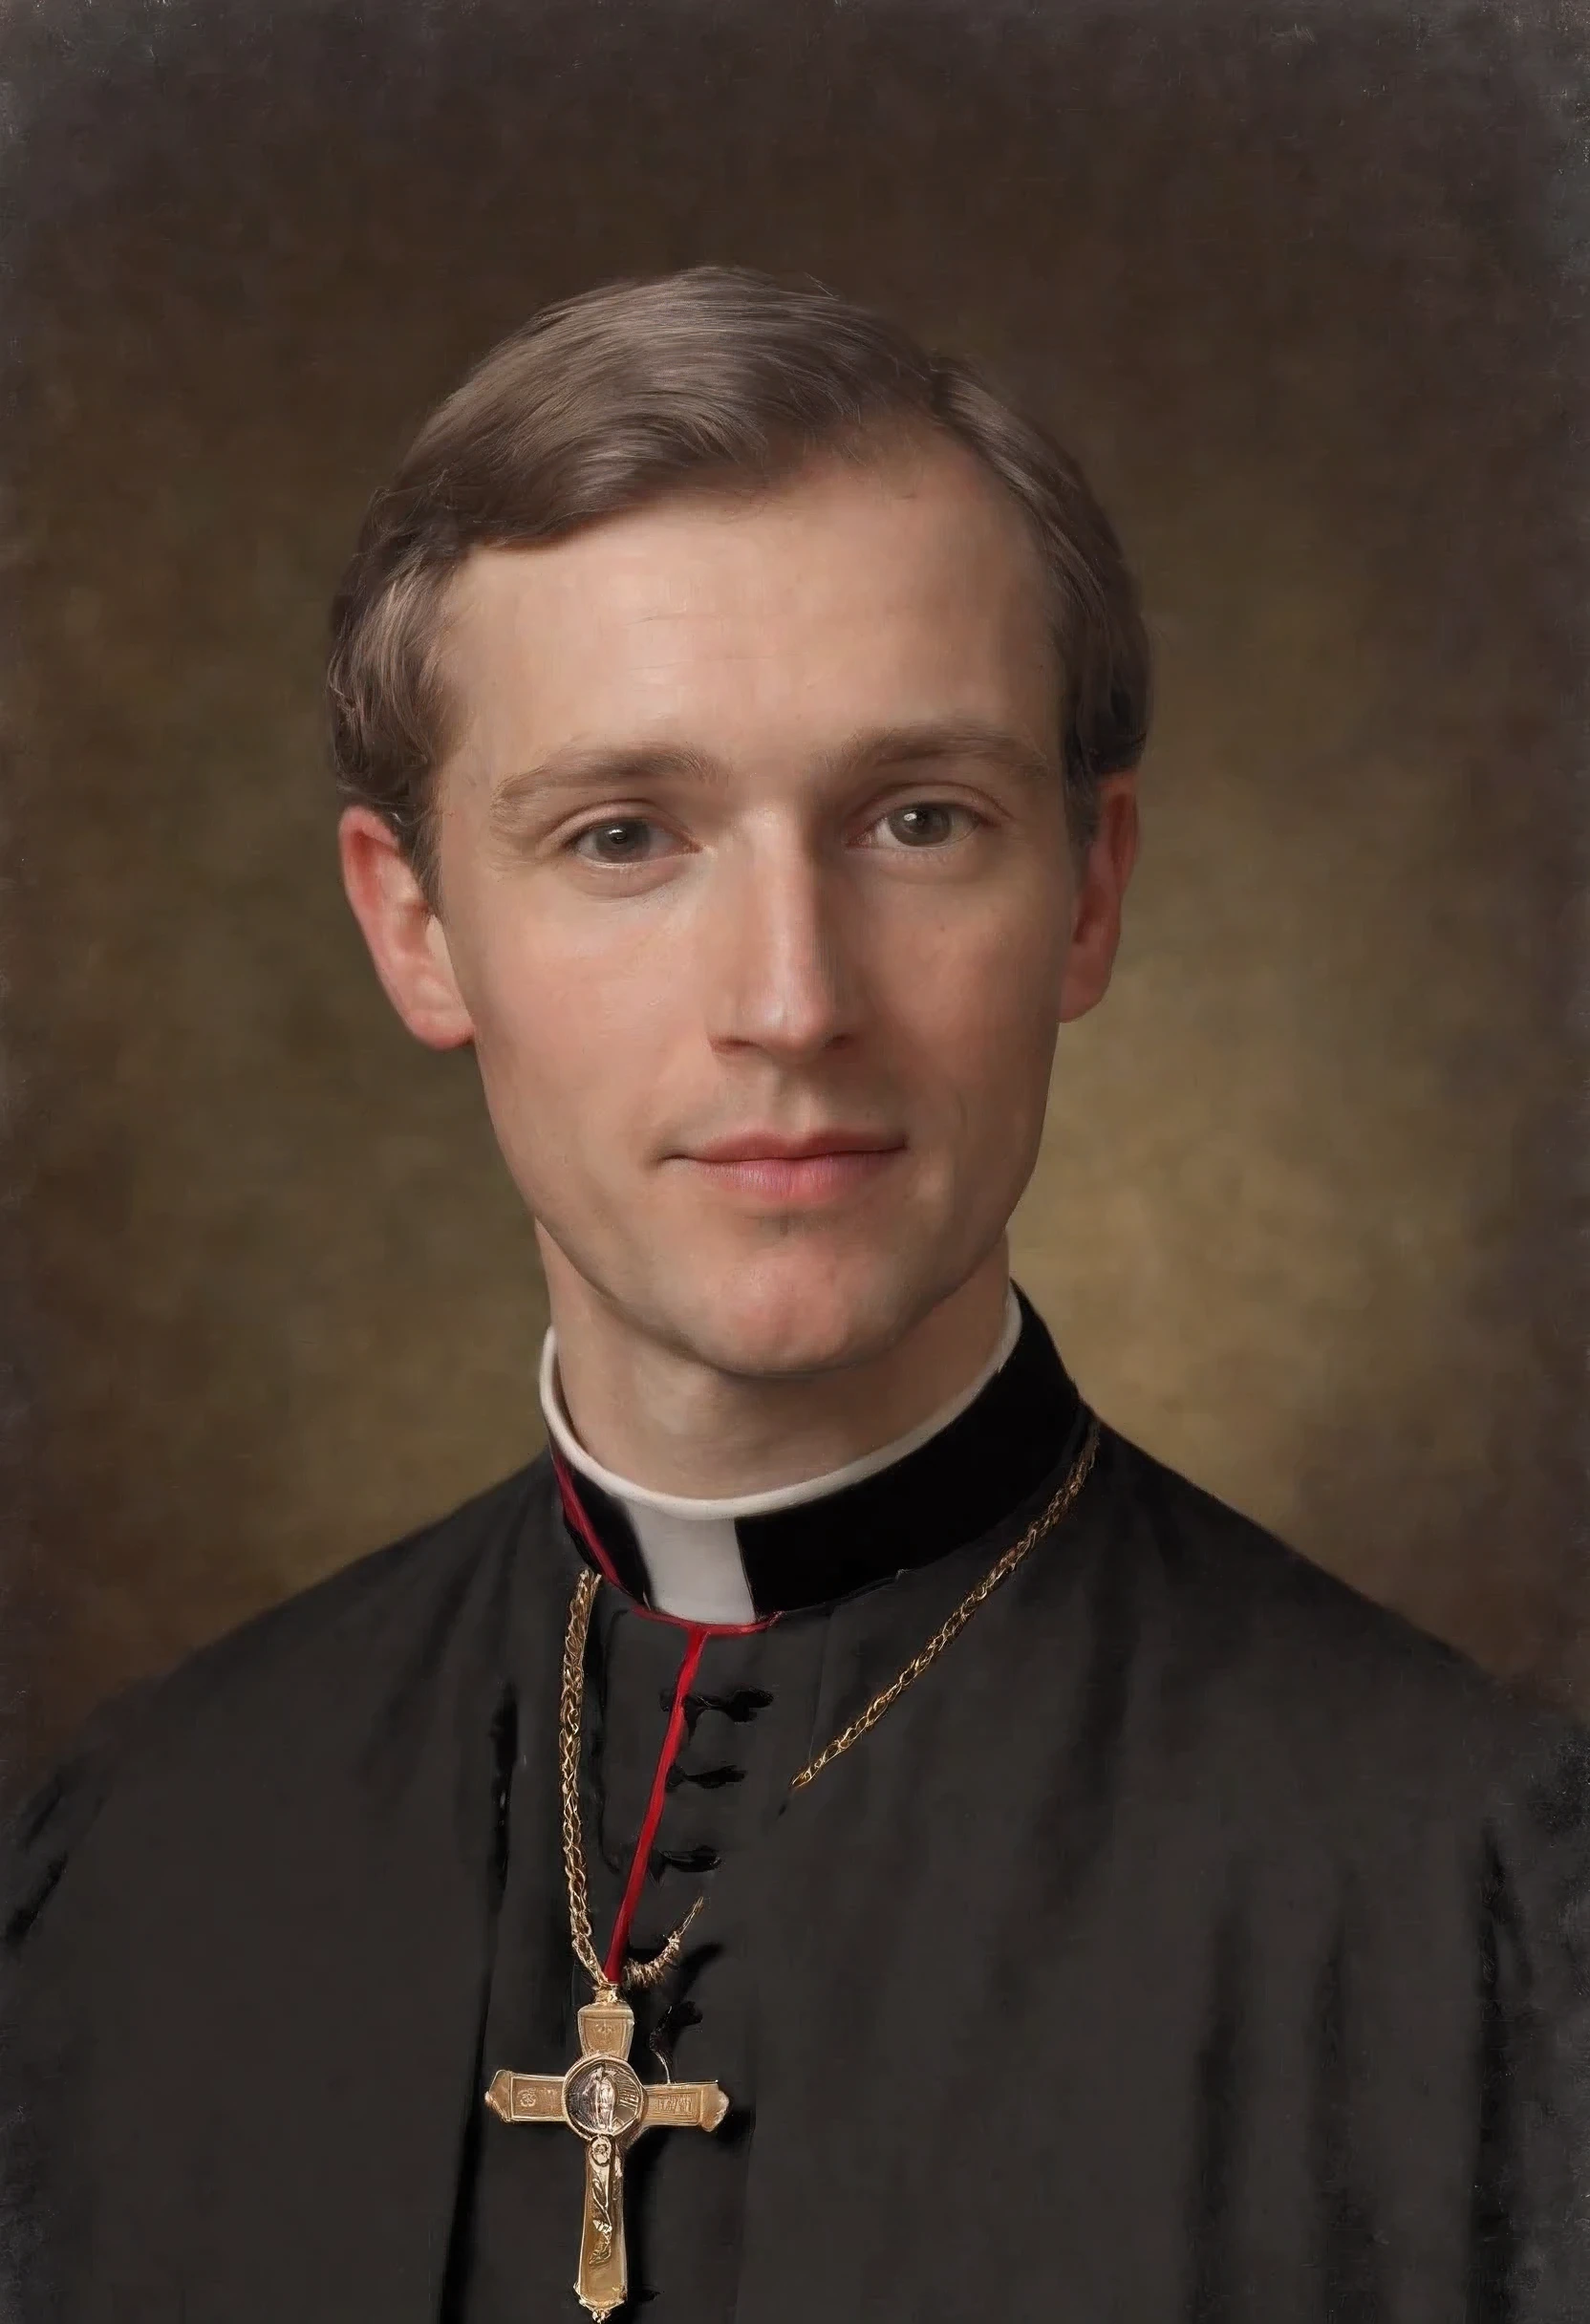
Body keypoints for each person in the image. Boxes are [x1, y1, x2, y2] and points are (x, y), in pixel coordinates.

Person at [4, 266, 1587, 2324]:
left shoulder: (1462, 1892)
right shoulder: (140, 1864)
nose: (791, 1000)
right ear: (415, 929)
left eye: (919, 820)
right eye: (625, 834)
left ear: (1087, 896)